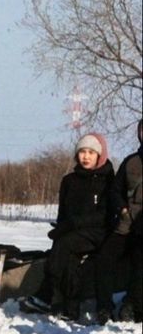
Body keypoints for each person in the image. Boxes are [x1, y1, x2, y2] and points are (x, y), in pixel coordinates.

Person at [23, 133, 115, 320]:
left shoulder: (108, 180)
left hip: (98, 232)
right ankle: (69, 309)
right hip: (73, 233)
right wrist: (60, 228)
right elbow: (63, 212)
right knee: (66, 253)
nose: (86, 156)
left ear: (100, 155)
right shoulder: (69, 181)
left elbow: (104, 215)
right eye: (82, 152)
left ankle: (46, 294)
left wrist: (72, 225)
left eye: (91, 152)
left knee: (65, 244)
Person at [94, 119, 142, 324]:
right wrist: (122, 208)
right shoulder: (131, 161)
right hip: (125, 224)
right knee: (104, 257)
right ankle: (104, 307)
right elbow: (115, 191)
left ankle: (131, 305)